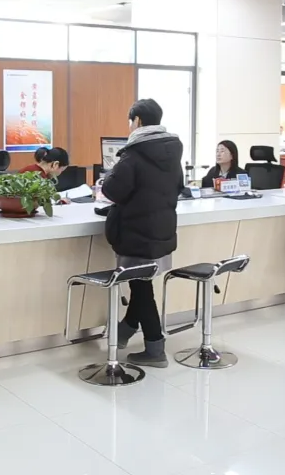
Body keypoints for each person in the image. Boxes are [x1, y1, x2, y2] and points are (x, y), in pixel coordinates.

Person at [103, 99, 183, 368]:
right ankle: (126, 328)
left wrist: (109, 176)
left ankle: (155, 348)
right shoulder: (172, 152)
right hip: (162, 229)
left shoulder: (134, 153)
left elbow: (113, 190)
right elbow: (178, 186)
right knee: (142, 284)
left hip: (136, 232)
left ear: (137, 121)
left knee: (141, 287)